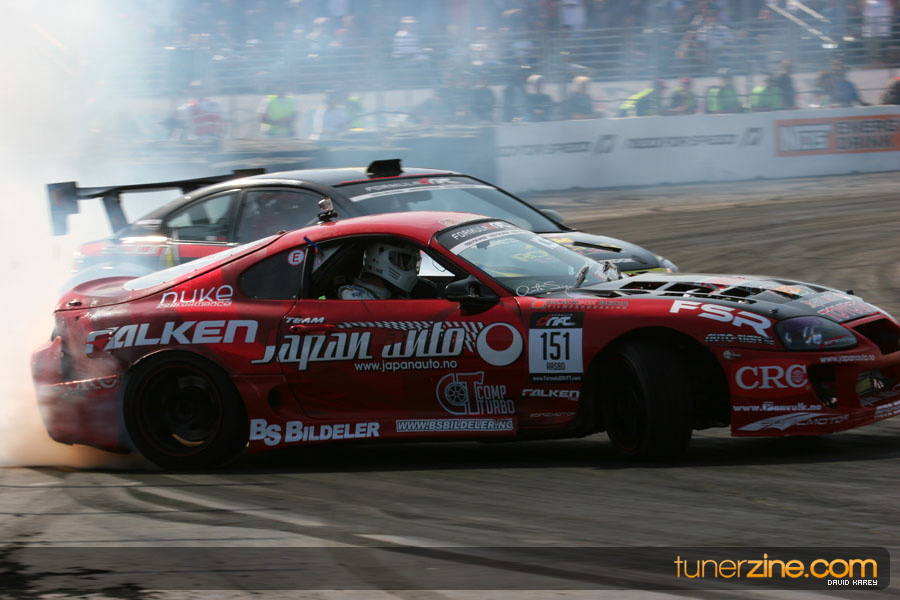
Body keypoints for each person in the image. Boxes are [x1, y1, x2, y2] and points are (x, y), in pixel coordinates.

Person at [339, 243, 421, 300]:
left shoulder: (393, 294)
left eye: (411, 263)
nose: (412, 272)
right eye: (404, 263)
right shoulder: (354, 296)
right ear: (377, 259)